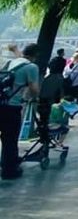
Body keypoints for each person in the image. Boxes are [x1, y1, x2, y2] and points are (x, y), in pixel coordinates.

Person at [0, 43, 40, 180]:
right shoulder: (32, 67)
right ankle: (9, 171)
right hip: (12, 107)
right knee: (10, 139)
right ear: (35, 56)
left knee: (5, 138)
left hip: (1, 103)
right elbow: (34, 89)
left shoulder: (12, 62)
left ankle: (5, 163)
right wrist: (36, 97)